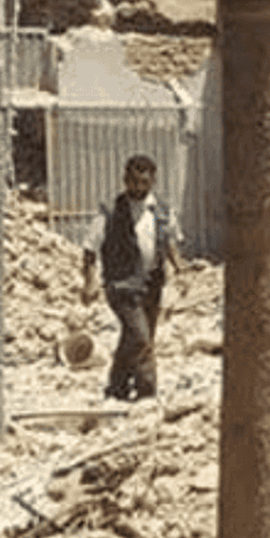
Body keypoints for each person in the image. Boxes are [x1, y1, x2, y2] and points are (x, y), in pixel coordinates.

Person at [82, 154, 182, 401]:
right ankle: (147, 391)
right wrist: (90, 281)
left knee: (137, 338)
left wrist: (181, 267)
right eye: (134, 182)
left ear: (153, 181)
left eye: (144, 182)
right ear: (125, 180)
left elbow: (169, 242)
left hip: (152, 285)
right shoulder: (110, 211)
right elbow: (89, 248)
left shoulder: (162, 210)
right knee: (140, 337)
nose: (139, 187)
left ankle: (118, 387)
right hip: (121, 285)